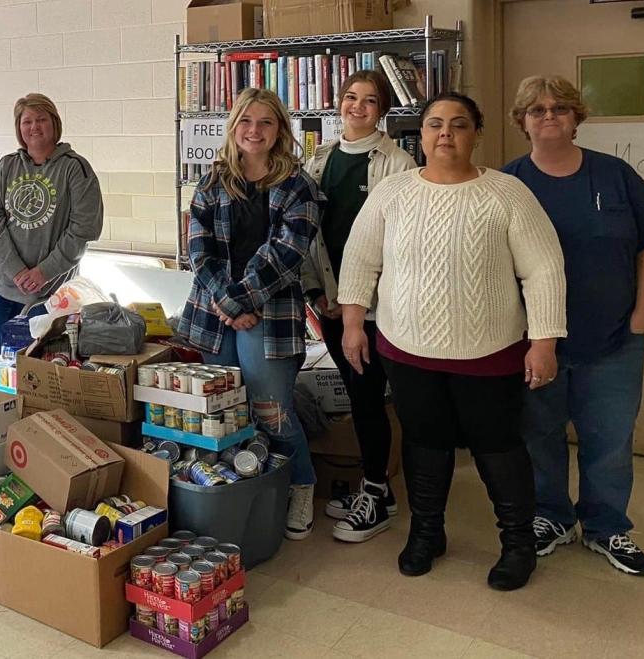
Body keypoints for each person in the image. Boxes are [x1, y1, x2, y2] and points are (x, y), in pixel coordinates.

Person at [339, 92, 567, 591]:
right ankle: (426, 533)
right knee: (425, 443)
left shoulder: (507, 193)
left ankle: (517, 545)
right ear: (419, 135)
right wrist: (353, 322)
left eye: (459, 124)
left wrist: (544, 341)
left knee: (498, 448)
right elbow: (360, 259)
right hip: (406, 348)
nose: (446, 133)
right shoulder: (392, 192)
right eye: (435, 124)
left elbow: (544, 269)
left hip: (489, 351)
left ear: (475, 133)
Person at [503, 75, 644, 577]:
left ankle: (606, 526)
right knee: (539, 435)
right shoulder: (510, 185)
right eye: (536, 109)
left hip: (614, 342)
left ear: (577, 118)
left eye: (559, 107)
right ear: (522, 123)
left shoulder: (614, 176)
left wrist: (640, 321)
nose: (549, 115)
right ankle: (551, 517)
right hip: (537, 345)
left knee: (611, 440)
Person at [176, 88, 323, 542]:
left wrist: (239, 301)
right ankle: (246, 492)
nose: (254, 131)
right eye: (246, 122)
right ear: (233, 126)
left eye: (265, 123)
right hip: (213, 312)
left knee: (272, 410)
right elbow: (197, 248)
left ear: (280, 130)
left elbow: (288, 252)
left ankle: (301, 483)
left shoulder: (298, 185)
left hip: (270, 313)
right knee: (224, 409)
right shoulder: (212, 181)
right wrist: (227, 300)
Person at [301, 70, 416, 543]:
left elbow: (404, 243)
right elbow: (306, 234)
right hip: (329, 301)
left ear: (382, 110)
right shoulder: (319, 160)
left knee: (369, 398)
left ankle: (376, 492)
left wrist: (360, 300)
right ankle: (379, 488)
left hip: (373, 307)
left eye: (370, 100)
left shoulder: (399, 163)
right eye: (351, 97)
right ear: (338, 102)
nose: (358, 107)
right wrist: (317, 294)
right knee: (357, 392)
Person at [0, 93, 104, 354]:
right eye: (27, 121)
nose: (34, 127)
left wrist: (43, 272)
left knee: (38, 364)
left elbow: (84, 229)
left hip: (51, 292)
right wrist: (16, 270)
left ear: (54, 123)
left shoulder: (76, 168)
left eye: (41, 119)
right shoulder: (5, 167)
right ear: (19, 128)